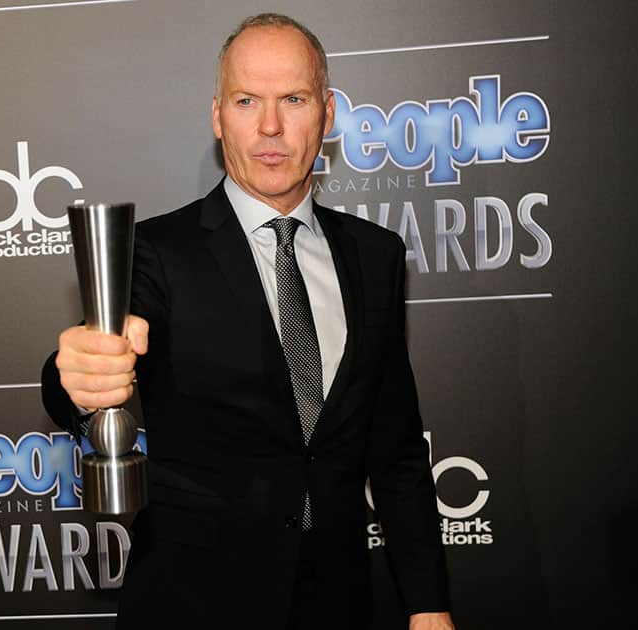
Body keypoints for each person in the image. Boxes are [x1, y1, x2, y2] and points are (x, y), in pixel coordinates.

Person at [41, 12, 455, 630]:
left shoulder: (377, 255)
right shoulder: (154, 251)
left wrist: (428, 604)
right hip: (194, 605)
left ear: (328, 113)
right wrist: (77, 376)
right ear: (217, 116)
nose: (270, 126)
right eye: (246, 100)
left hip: (337, 602)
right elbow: (92, 361)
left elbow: (395, 449)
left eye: (293, 98)